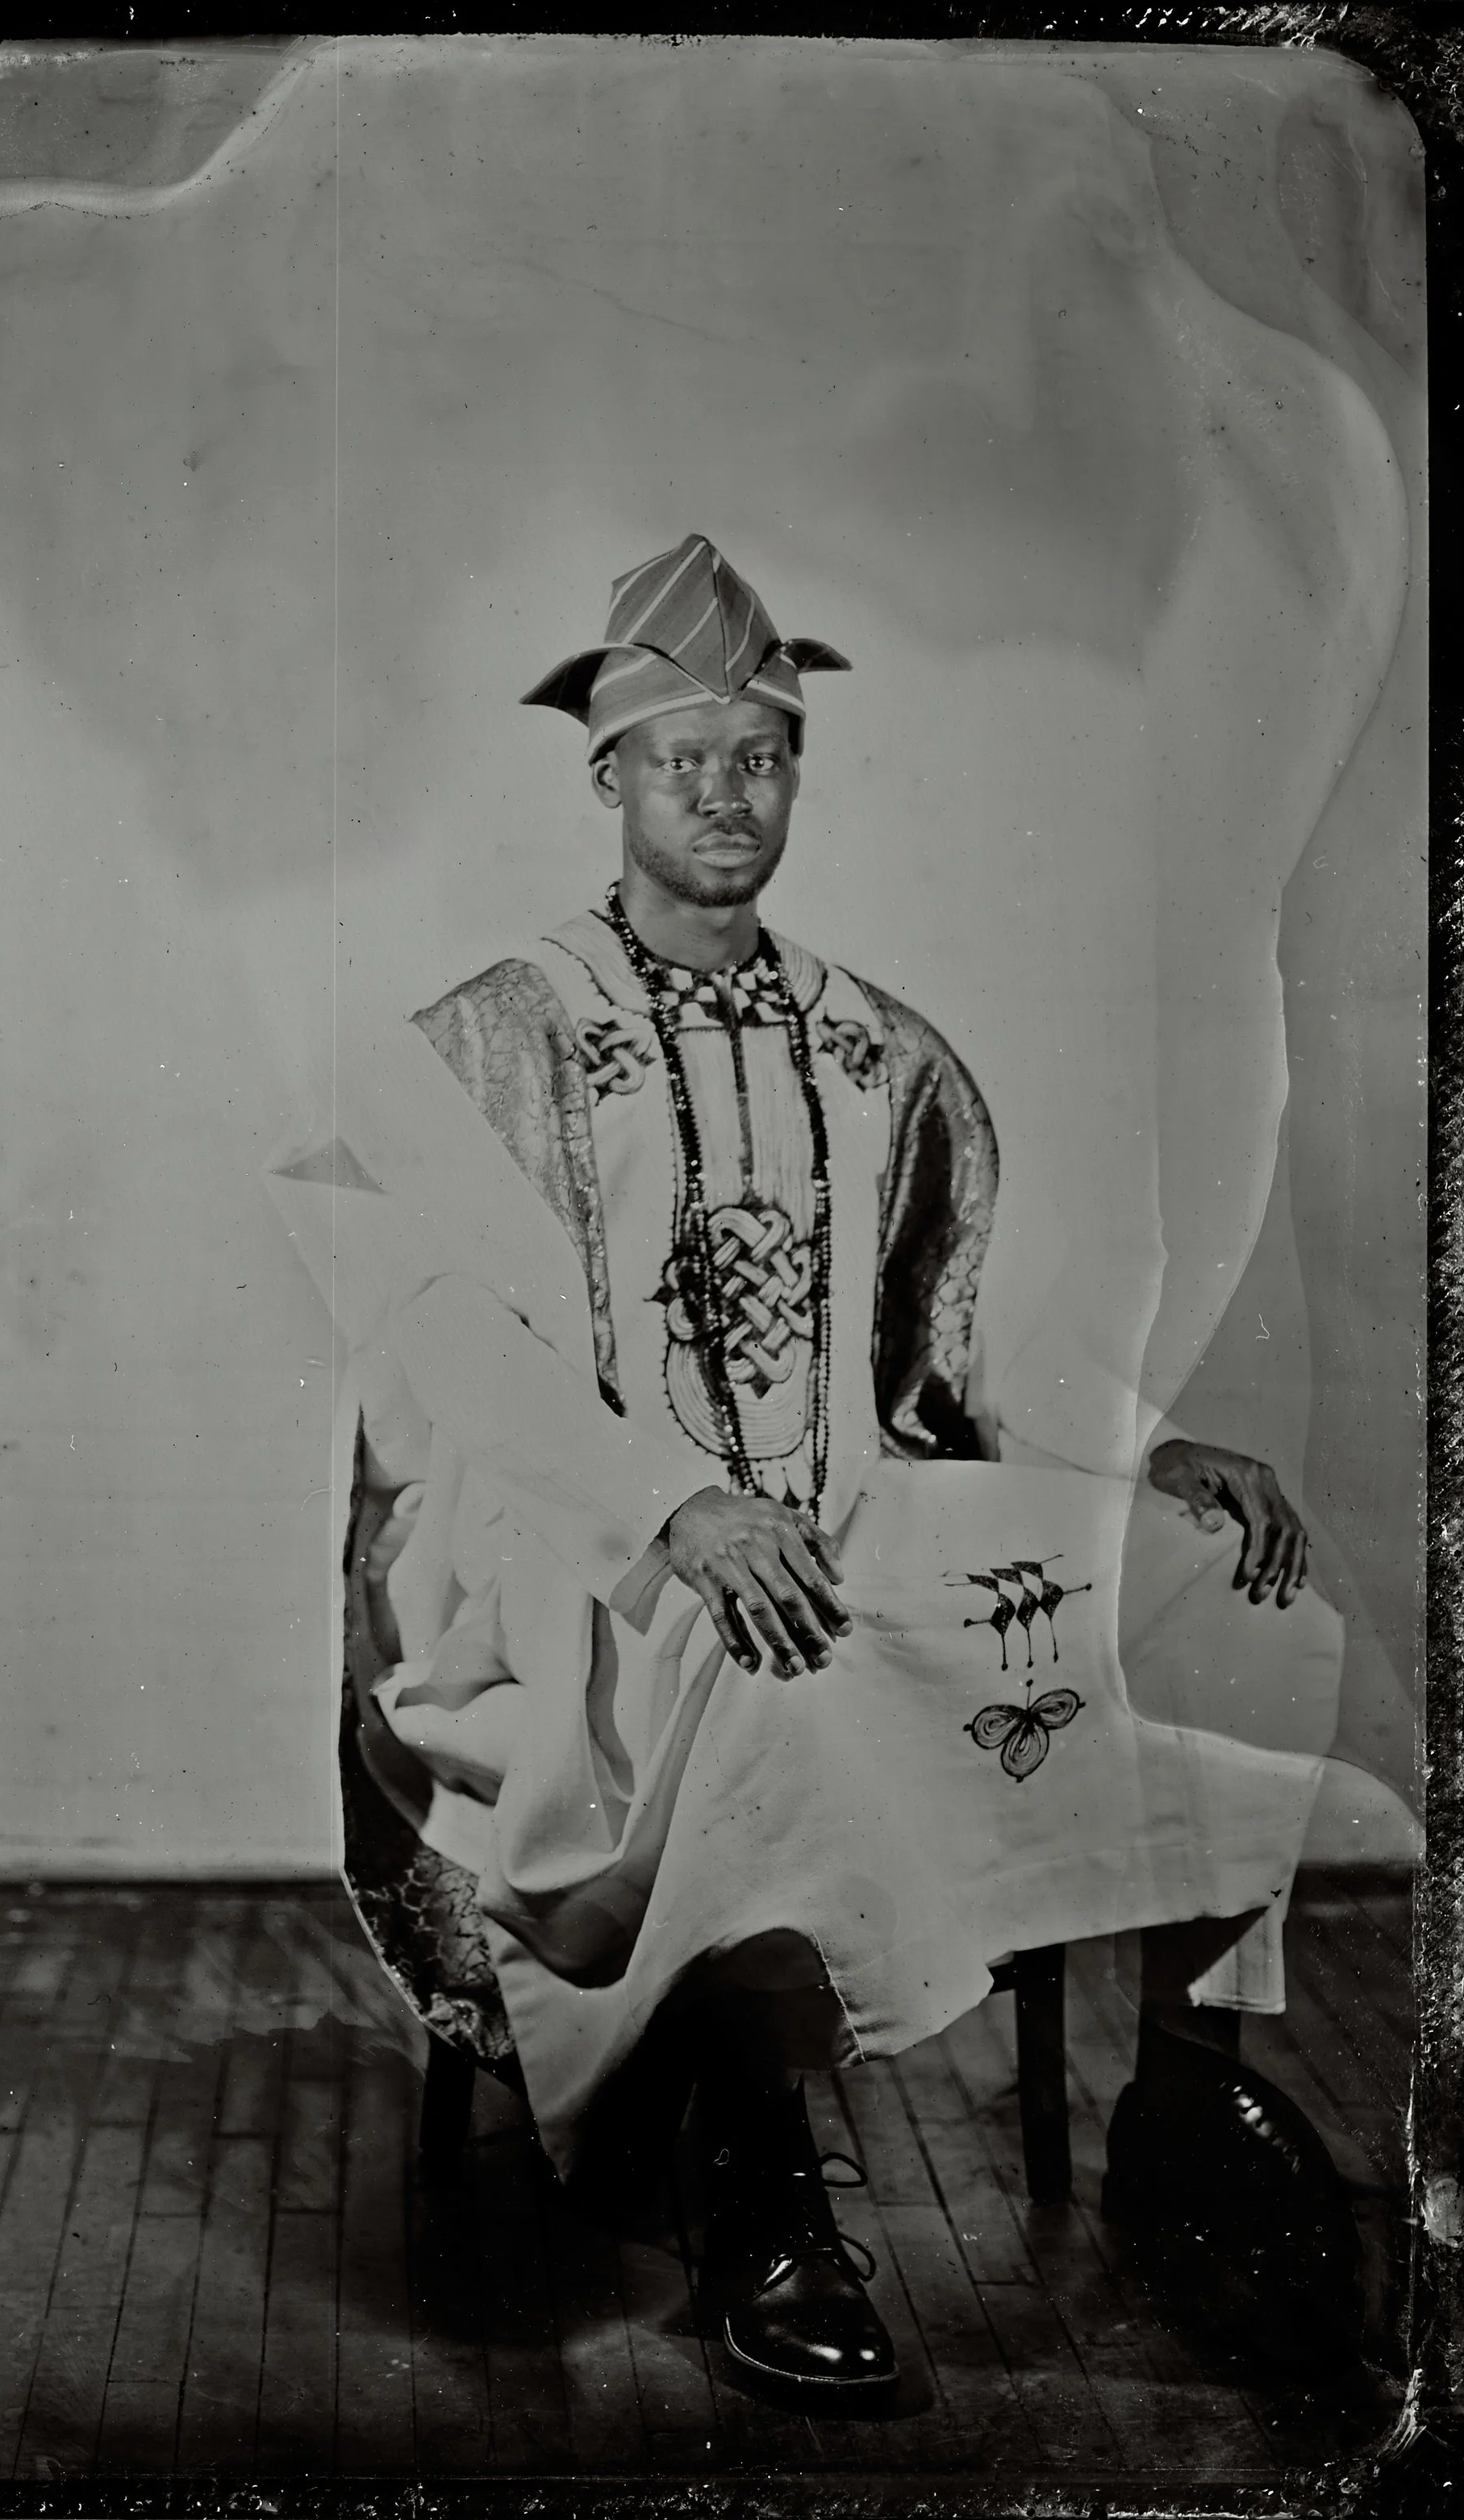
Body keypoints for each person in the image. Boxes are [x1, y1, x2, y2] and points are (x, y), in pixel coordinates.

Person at [266, 535, 1352, 2399]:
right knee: (771, 1669)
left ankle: (1186, 2096)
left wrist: (1144, 1450)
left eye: (755, 754)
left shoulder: (870, 1044)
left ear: (792, 770)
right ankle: (762, 2174)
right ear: (603, 777)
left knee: (1217, 1590)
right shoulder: (494, 1034)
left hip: (833, 1509)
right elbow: (433, 1345)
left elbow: (957, 1340)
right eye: (678, 756)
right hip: (567, 1565)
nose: (720, 792)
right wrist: (668, 1507)